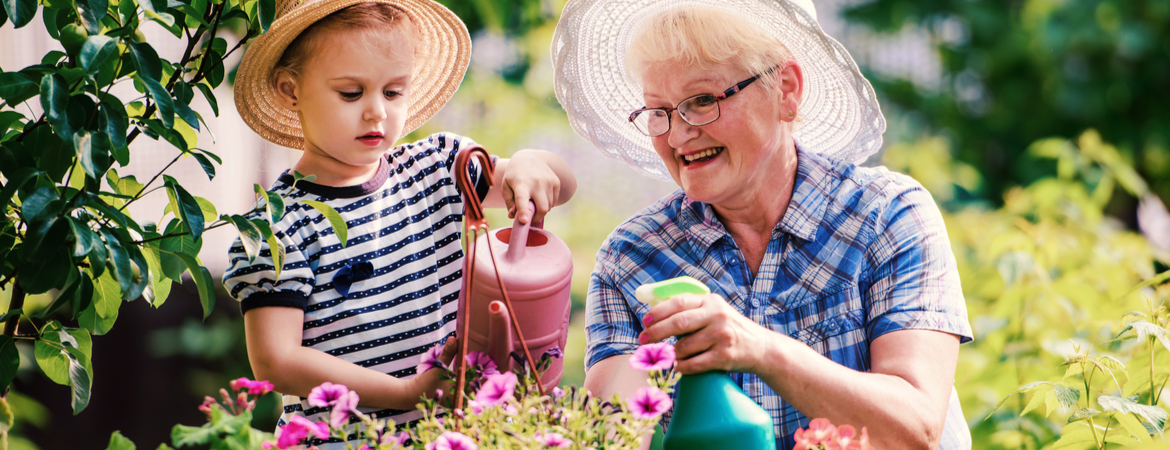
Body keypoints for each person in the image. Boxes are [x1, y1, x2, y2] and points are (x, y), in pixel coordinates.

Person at [552, 0, 973, 448]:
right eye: (659, 111)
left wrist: (760, 349)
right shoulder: (633, 257)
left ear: (785, 90)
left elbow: (916, 429)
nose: (677, 136)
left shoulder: (885, 215)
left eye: (701, 101)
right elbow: (611, 435)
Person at [223, 0, 576, 447]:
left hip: (455, 436)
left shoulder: (440, 167)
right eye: (351, 93)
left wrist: (530, 163)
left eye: (393, 92)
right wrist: (407, 393)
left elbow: (562, 185)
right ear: (291, 91)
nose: (377, 112)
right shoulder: (277, 226)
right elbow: (277, 361)